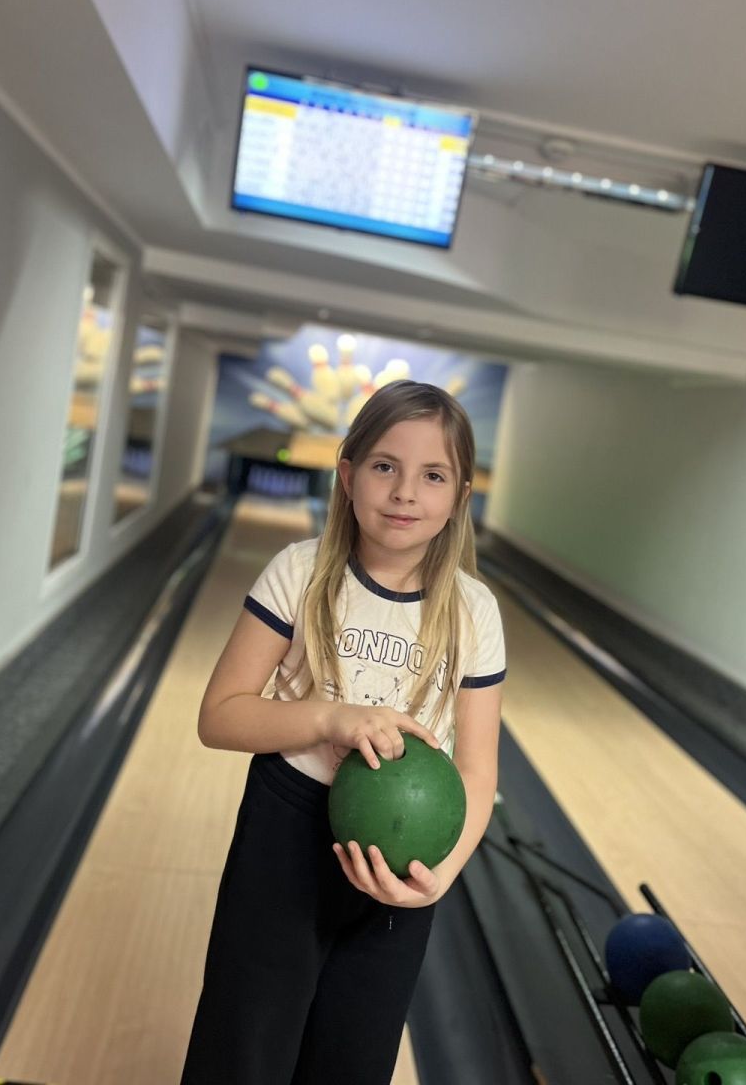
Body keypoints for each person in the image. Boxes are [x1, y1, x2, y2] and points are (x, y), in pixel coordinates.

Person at [180, 379, 506, 1085]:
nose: (405, 492)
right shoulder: (299, 573)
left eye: (433, 475)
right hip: (286, 834)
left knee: (353, 1058)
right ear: (349, 474)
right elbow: (221, 714)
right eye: (386, 466)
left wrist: (436, 880)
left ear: (460, 496)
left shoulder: (475, 611)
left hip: (407, 854)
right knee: (243, 1047)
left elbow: (478, 769)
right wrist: (331, 716)